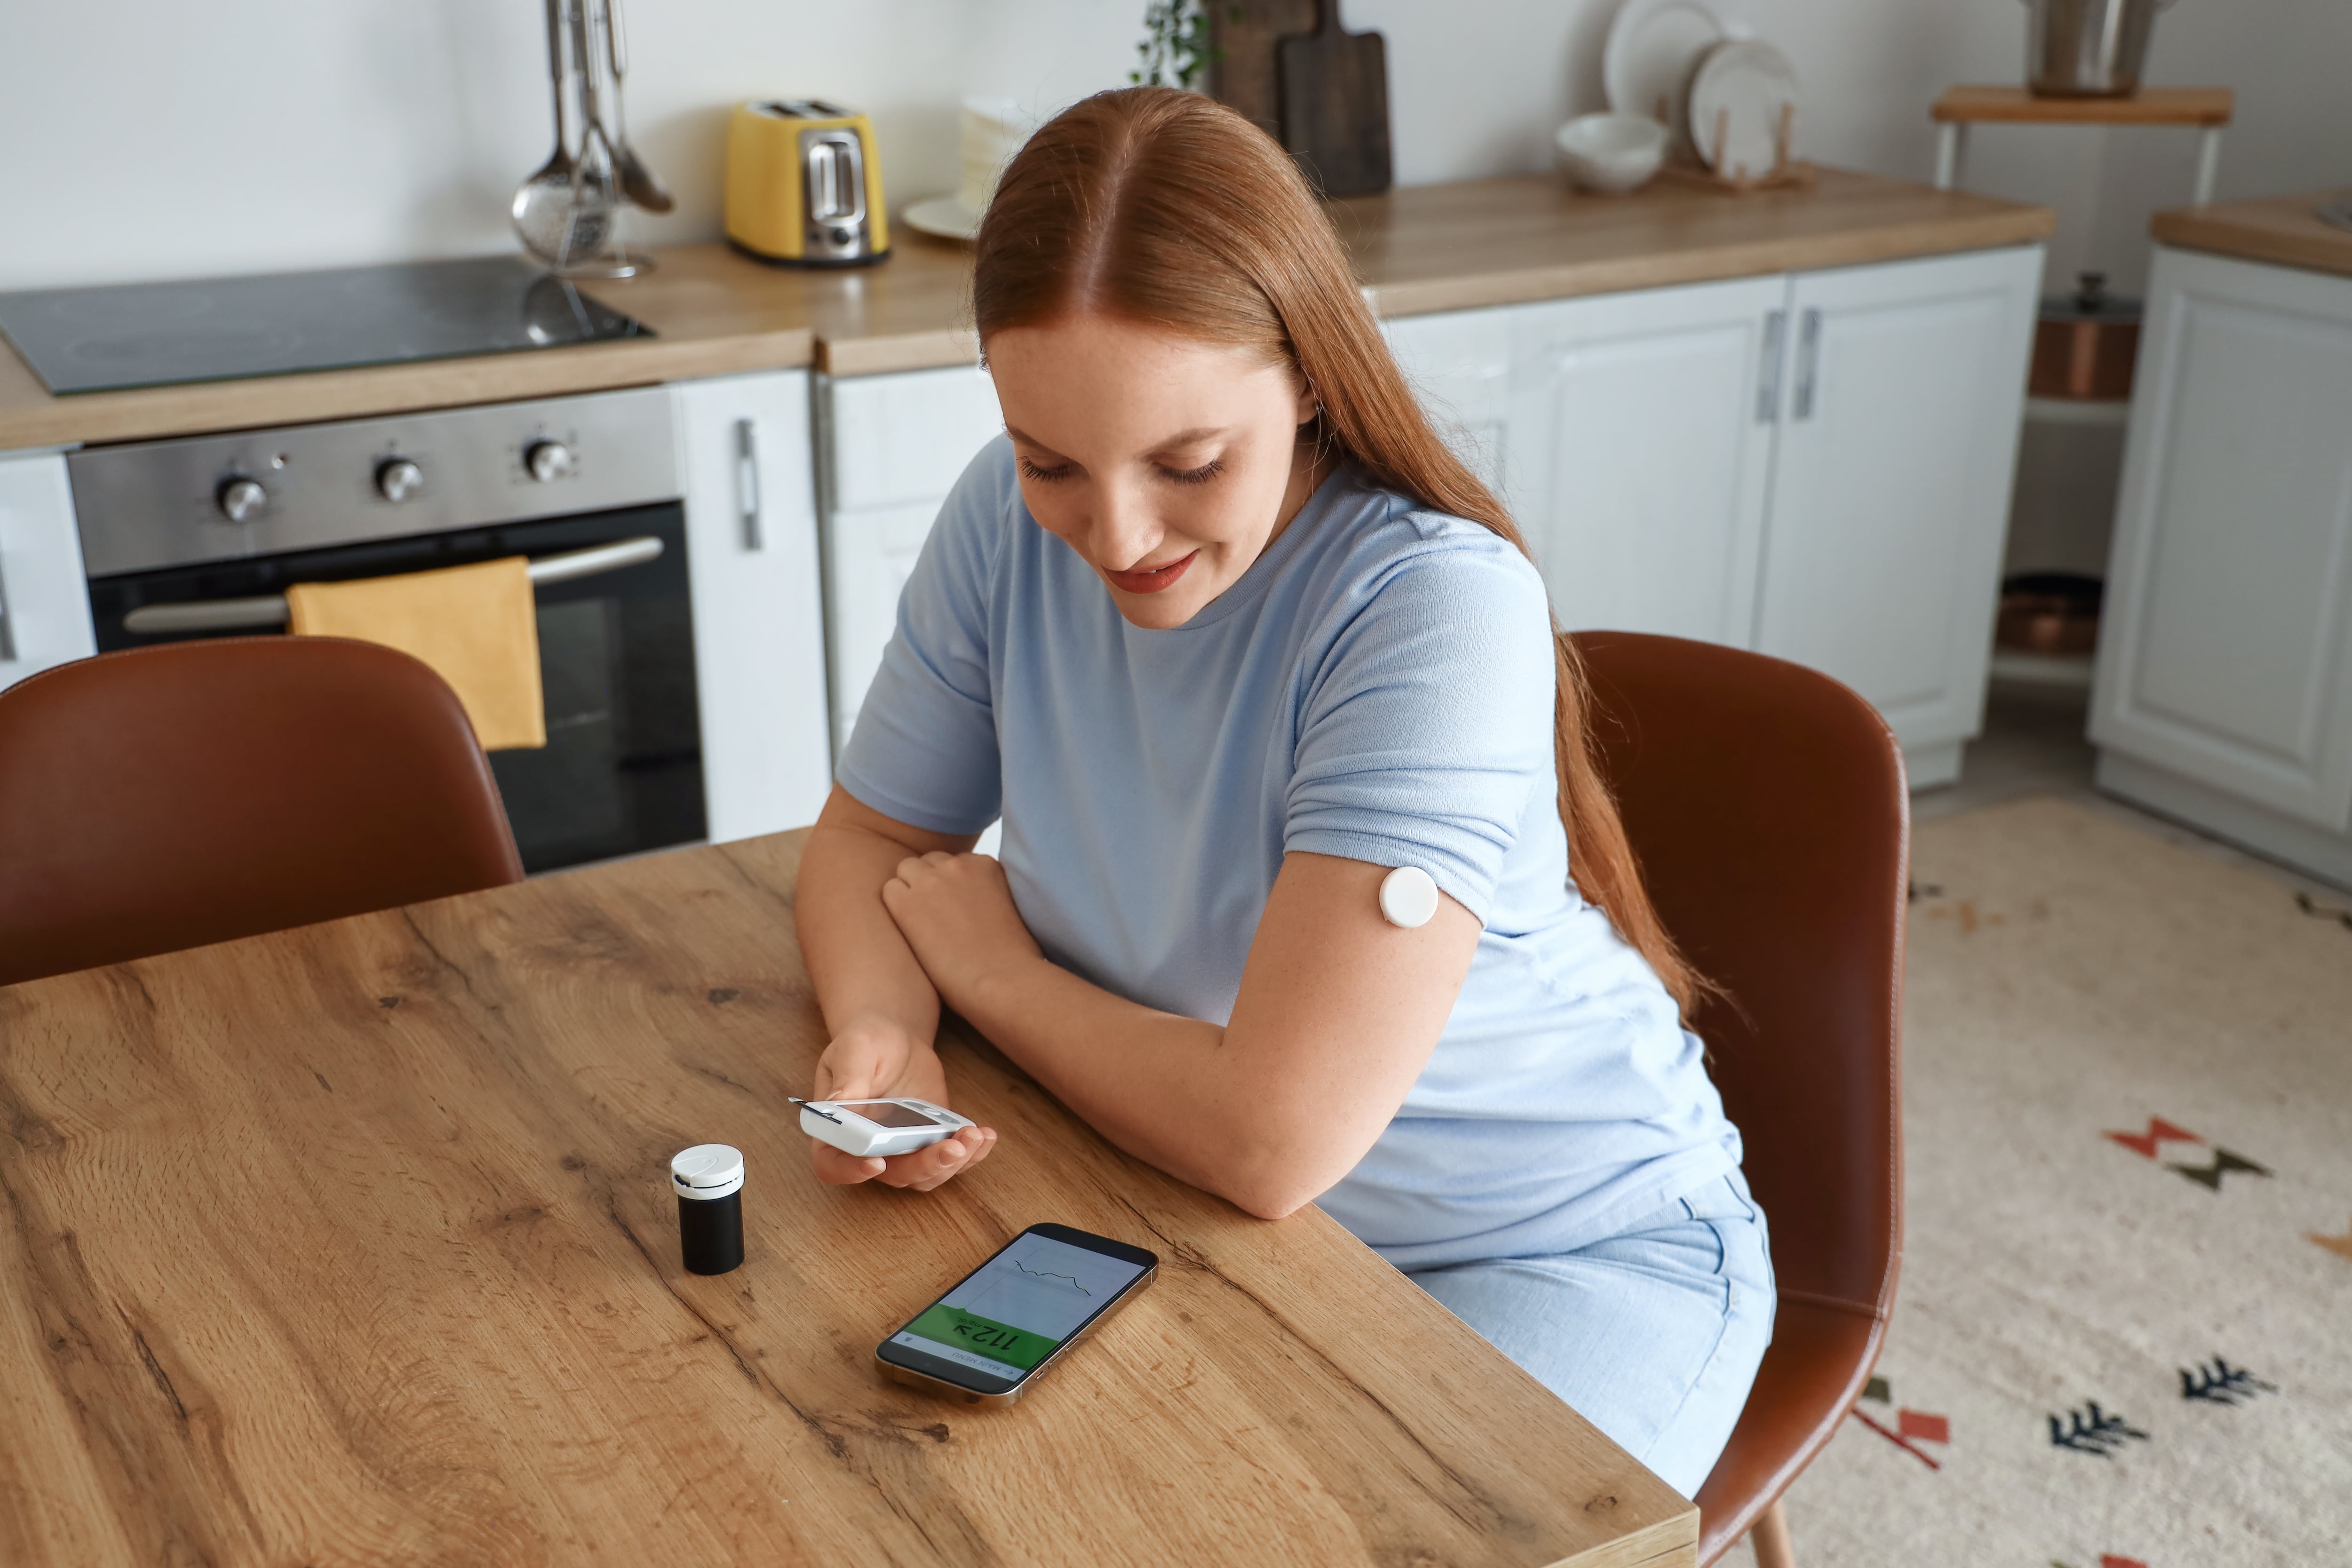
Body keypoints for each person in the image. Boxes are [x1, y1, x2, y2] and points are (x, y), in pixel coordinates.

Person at [794, 86, 1770, 1496]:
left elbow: (1273, 1136)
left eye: (1188, 463)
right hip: (1179, 1198)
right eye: (1050, 460)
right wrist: (889, 1037)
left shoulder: (1430, 608)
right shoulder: (1001, 529)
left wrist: (993, 979)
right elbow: (876, 836)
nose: (1113, 536)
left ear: (1311, 377)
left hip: (1554, 1246)